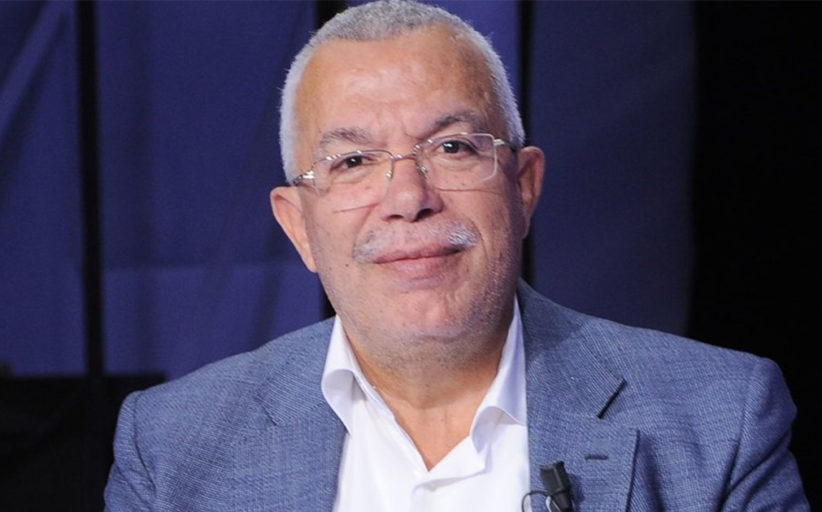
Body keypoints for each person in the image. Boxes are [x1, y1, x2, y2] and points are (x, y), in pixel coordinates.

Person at [104, 1, 809, 510]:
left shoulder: (716, 419)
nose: (409, 197)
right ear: (299, 227)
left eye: (452, 147)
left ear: (523, 187)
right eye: (353, 161)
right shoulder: (173, 450)